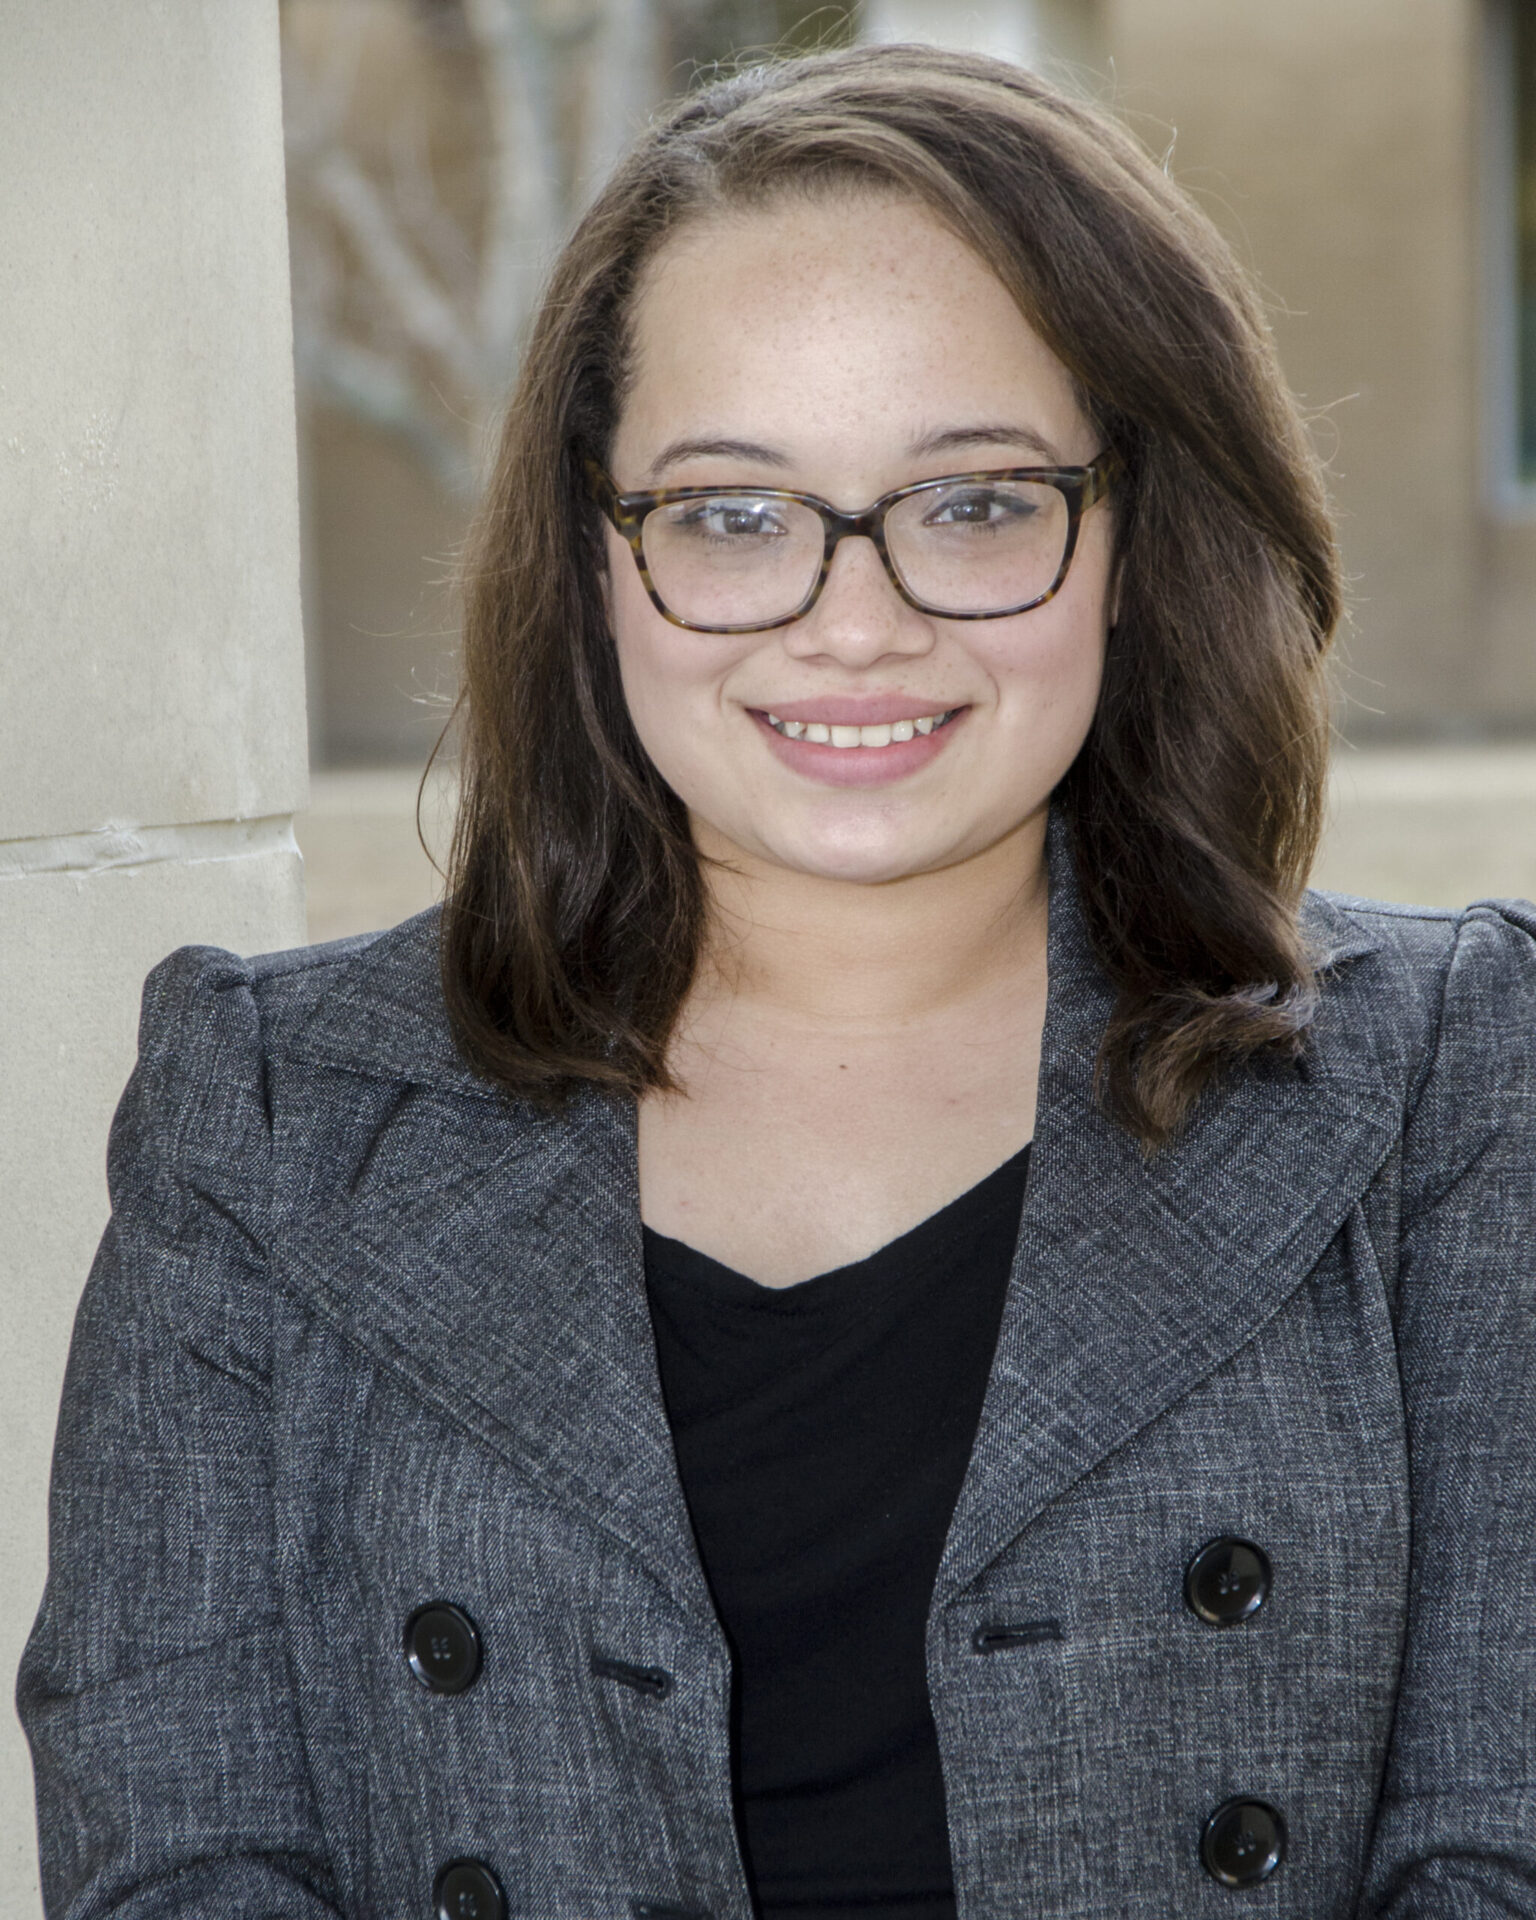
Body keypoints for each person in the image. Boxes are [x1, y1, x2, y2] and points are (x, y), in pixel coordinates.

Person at [17, 41, 1536, 1920]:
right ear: (595, 555)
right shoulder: (271, 1114)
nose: (856, 620)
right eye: (735, 515)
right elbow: (184, 1855)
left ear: (1134, 537)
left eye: (975, 502)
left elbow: (1500, 1841)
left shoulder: (1452, 1080)